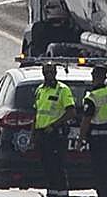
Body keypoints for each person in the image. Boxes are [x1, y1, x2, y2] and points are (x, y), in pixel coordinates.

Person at [33, 62, 76, 197]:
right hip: (42, 134)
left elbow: (71, 112)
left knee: (58, 166)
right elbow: (37, 112)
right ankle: (51, 193)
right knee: (47, 167)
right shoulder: (40, 90)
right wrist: (33, 133)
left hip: (55, 134)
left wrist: (54, 125)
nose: (49, 74)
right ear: (43, 73)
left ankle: (62, 193)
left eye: (52, 72)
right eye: (47, 72)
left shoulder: (62, 90)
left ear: (56, 73)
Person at [79, 65, 107, 197]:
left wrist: (81, 138)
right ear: (105, 77)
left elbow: (86, 120)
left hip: (98, 140)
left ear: (94, 77)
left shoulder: (92, 97)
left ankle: (103, 194)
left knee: (100, 171)